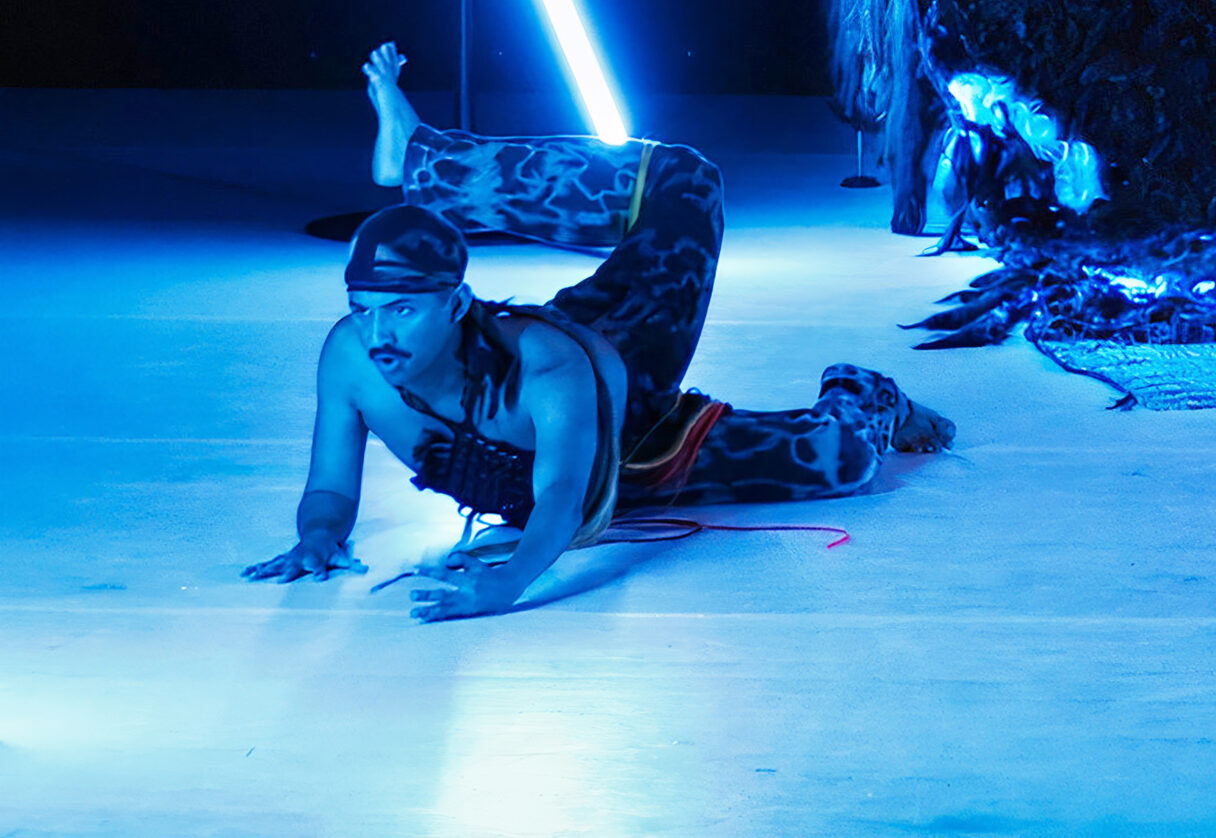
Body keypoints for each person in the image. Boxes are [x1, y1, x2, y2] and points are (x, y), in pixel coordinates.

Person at [243, 42, 951, 622]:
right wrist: (318, 537)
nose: (376, 331)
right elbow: (331, 486)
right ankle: (859, 395)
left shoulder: (544, 373)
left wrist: (507, 584)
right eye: (362, 306)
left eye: (401, 309)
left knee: (688, 182)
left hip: (630, 367)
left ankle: (429, 164)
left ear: (455, 305)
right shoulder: (350, 356)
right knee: (841, 460)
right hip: (619, 469)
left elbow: (557, 502)